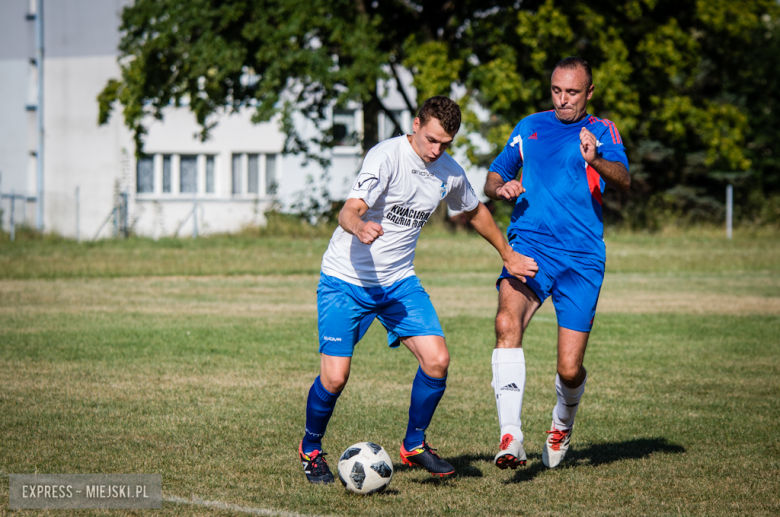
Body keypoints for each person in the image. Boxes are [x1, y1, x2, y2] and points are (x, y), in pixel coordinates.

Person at [298, 96, 538, 484]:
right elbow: (349, 208)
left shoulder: (448, 171)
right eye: (430, 140)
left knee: (437, 360)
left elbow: (475, 212)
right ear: (415, 124)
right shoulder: (385, 157)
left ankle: (413, 445)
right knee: (335, 378)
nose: (435, 150)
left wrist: (508, 255)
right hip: (346, 280)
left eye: (445, 143)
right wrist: (359, 227)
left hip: (398, 284)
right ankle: (311, 449)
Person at [484, 57, 630, 470]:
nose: (563, 100)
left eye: (572, 92)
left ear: (589, 93)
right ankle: (510, 436)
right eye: (556, 90)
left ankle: (562, 424)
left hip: (582, 258)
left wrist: (595, 159)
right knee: (506, 324)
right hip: (531, 246)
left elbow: (623, 179)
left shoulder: (602, 131)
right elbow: (493, 177)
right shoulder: (528, 126)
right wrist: (502, 188)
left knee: (569, 369)